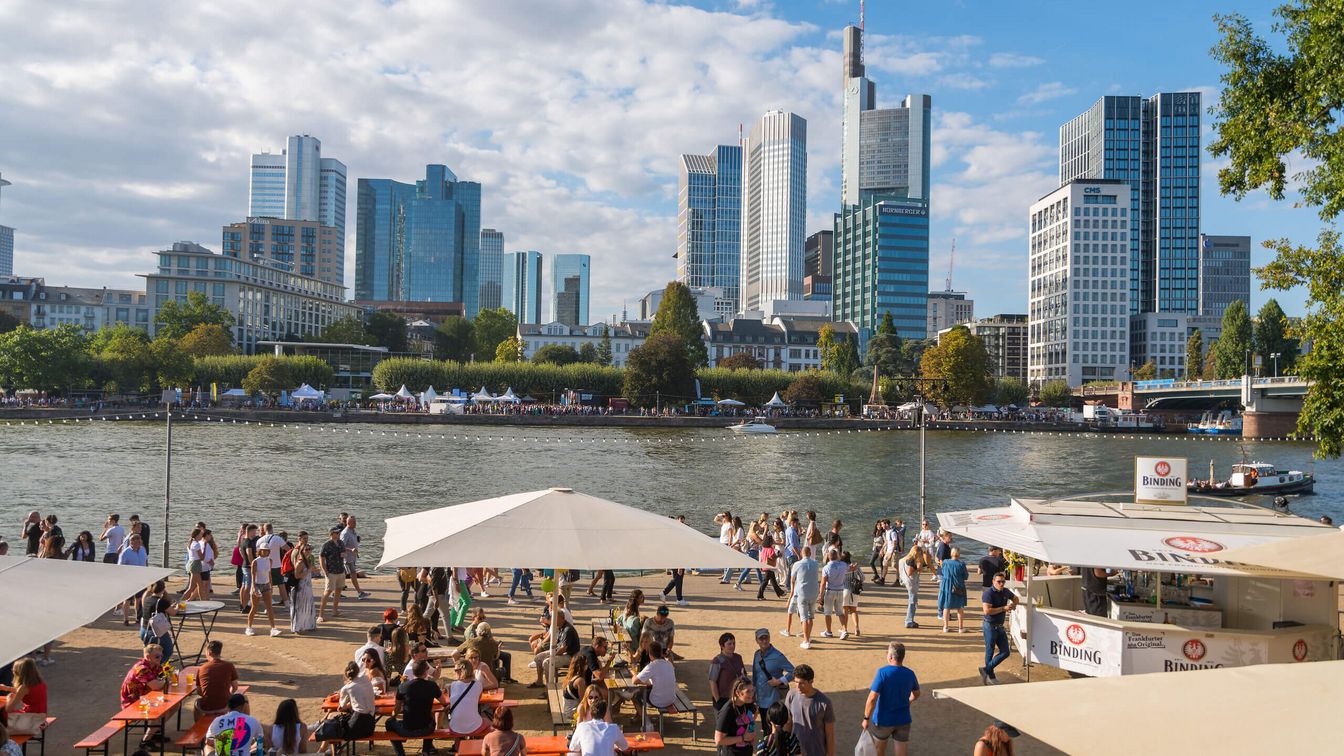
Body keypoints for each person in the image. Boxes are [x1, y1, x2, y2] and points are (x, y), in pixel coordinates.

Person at [862, 642, 920, 756]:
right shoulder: (910, 673)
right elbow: (917, 693)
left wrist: (866, 718)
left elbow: (872, 698)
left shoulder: (882, 673)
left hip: (883, 720)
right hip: (903, 720)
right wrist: (909, 700)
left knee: (879, 751)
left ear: (891, 656)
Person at [385, 659, 443, 756]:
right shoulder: (432, 685)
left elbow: (397, 709)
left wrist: (393, 717)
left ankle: (400, 753)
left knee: (389, 723)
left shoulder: (403, 686)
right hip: (426, 728)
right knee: (432, 720)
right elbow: (443, 701)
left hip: (407, 728)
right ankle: (425, 751)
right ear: (426, 672)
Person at [121, 645, 168, 748]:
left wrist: (164, 680)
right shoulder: (141, 669)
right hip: (132, 702)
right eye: (157, 656)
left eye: (161, 656)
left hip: (145, 698)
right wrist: (166, 680)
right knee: (159, 711)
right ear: (147, 656)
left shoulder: (155, 665)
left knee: (174, 706)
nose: (160, 658)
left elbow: (162, 677)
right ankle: (145, 741)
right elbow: (156, 685)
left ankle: (155, 731)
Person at [784, 664, 834, 756]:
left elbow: (829, 734)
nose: (798, 686)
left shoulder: (824, 703)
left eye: (802, 683)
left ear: (811, 681)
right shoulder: (791, 695)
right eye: (796, 682)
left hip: (816, 751)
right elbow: (788, 723)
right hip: (795, 751)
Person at [750, 628, 794, 726]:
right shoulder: (757, 655)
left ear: (769, 638)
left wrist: (779, 681)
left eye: (766, 638)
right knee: (765, 729)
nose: (764, 641)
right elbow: (755, 675)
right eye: (761, 639)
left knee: (775, 730)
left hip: (773, 701)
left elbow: (794, 672)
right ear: (756, 640)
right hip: (761, 700)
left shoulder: (778, 656)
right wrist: (753, 695)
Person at [980, 572, 1018, 685]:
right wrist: (1003, 608)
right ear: (993, 582)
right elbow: (987, 611)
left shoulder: (1005, 591)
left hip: (1000, 627)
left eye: (1003, 582)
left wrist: (1013, 605)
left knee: (1006, 652)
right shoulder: (988, 594)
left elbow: (1016, 598)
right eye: (999, 582)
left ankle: (986, 670)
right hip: (990, 626)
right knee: (990, 651)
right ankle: (991, 675)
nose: (1001, 584)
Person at [529, 607, 579, 687]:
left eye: (555, 619)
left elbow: (563, 648)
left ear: (562, 618)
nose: (553, 621)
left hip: (570, 656)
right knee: (538, 657)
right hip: (560, 651)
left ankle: (550, 687)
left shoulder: (568, 629)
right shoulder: (560, 627)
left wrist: (552, 655)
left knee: (547, 662)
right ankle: (539, 682)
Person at [193, 641, 240, 722]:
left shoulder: (202, 668)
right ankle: (240, 731)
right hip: (225, 706)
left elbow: (199, 691)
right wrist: (229, 695)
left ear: (209, 652)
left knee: (196, 703)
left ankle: (197, 728)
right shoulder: (229, 665)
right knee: (243, 700)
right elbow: (235, 687)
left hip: (207, 707)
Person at [784, 546, 819, 648]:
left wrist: (791, 593)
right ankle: (808, 636)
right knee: (811, 617)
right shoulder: (815, 563)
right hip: (813, 592)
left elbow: (792, 579)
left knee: (804, 617)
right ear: (810, 553)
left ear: (802, 553)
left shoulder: (797, 564)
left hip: (802, 592)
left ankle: (806, 640)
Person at [714, 678, 758, 756]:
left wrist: (750, 730)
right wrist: (742, 738)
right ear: (738, 693)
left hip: (746, 752)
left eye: (752, 690)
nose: (752, 694)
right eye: (748, 691)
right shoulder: (727, 711)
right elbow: (718, 740)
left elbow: (754, 715)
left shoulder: (748, 704)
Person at [245, 542, 281, 636]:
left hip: (266, 585)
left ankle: (273, 628)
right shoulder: (255, 562)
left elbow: (269, 574)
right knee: (254, 607)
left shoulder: (270, 560)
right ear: (260, 551)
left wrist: (271, 585)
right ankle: (249, 627)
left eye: (267, 550)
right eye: (264, 550)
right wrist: (254, 588)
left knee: (269, 608)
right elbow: (253, 576)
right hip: (257, 585)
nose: (266, 552)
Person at [446, 660, 488, 737]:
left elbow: (451, 702)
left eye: (455, 670)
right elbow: (477, 702)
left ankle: (456, 746)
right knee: (487, 722)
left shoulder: (452, 685)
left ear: (460, 671)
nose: (454, 672)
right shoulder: (478, 685)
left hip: (455, 728)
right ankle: (479, 744)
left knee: (458, 722)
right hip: (473, 727)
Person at [633, 641, 677, 716]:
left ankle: (645, 721)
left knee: (635, 695)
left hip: (658, 701)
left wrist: (633, 673)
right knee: (648, 689)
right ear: (661, 652)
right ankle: (639, 716)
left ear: (650, 654)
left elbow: (635, 681)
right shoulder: (669, 663)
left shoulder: (652, 666)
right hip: (671, 699)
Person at [117, 533, 150, 623]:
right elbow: (120, 567)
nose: (139, 542)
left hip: (141, 579)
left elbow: (146, 562)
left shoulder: (143, 549)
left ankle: (138, 617)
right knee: (127, 600)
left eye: (140, 540)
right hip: (129, 580)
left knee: (139, 599)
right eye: (137, 540)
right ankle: (126, 619)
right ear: (131, 542)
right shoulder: (125, 552)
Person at [289, 531, 317, 634]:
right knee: (299, 605)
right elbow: (297, 571)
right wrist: (307, 571)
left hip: (307, 583)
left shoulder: (307, 557)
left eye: (307, 538)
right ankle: (298, 626)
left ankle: (308, 624)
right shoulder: (297, 553)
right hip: (300, 583)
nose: (306, 540)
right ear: (299, 538)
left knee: (308, 604)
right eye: (304, 538)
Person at [818, 548, 849, 640]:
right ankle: (844, 630)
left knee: (828, 613)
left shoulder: (826, 568)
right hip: (840, 590)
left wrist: (821, 595)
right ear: (837, 556)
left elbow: (823, 583)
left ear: (828, 557)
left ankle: (829, 631)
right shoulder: (843, 565)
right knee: (840, 612)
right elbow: (850, 568)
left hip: (830, 590)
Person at [708, 632, 745, 711]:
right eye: (729, 644)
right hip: (723, 699)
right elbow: (712, 681)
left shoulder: (738, 658)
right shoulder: (717, 661)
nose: (732, 646)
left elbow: (743, 675)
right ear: (722, 646)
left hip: (738, 698)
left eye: (734, 643)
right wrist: (718, 701)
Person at [938, 547, 969, 633]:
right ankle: (960, 628)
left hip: (946, 586)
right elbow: (966, 576)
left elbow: (943, 572)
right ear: (959, 554)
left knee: (946, 607)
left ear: (951, 554)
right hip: (958, 586)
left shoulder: (945, 562)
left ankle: (946, 627)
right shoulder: (961, 564)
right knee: (960, 607)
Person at [317, 527, 345, 622]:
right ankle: (321, 614)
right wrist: (325, 570)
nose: (338, 534)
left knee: (338, 590)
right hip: (331, 571)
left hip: (340, 570)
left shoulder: (341, 543)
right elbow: (321, 558)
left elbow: (344, 552)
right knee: (328, 591)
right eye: (336, 532)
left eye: (338, 532)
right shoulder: (326, 545)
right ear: (332, 534)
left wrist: (344, 555)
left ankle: (335, 610)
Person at [339, 516, 370, 599]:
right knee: (352, 574)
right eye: (354, 522)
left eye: (355, 522)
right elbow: (341, 546)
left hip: (352, 558)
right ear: (348, 523)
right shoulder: (345, 533)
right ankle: (360, 593)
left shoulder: (352, 531)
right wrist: (351, 549)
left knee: (344, 575)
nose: (355, 524)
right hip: (347, 558)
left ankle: (336, 592)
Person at [897, 546, 926, 629]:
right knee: (912, 602)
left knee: (912, 601)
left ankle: (909, 620)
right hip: (911, 583)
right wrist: (918, 568)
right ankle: (909, 621)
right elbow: (910, 572)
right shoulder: (912, 560)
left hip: (907, 582)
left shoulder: (905, 559)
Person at [756, 535, 785, 600]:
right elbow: (772, 557)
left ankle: (780, 592)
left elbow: (761, 558)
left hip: (764, 566)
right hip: (769, 567)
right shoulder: (771, 549)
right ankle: (759, 595)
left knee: (773, 581)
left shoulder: (763, 549)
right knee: (765, 582)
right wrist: (778, 556)